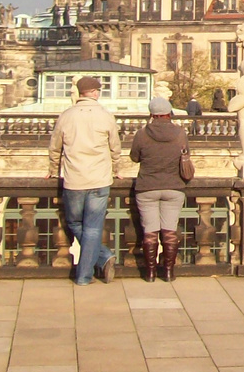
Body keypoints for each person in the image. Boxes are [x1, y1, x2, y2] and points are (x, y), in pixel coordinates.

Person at [47, 76, 123, 285]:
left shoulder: (66, 116)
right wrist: (116, 169)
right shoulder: (106, 116)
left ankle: (96, 264)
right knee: (93, 228)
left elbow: (55, 147)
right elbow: (115, 147)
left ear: (80, 93)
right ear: (95, 92)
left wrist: (53, 170)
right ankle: (90, 269)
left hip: (74, 179)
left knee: (74, 222)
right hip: (99, 179)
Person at [130, 95, 190, 282]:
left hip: (147, 187)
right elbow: (186, 155)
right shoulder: (180, 133)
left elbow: (134, 157)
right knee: (169, 231)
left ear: (152, 114)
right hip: (174, 187)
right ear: (169, 113)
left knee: (150, 231)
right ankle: (169, 272)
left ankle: (150, 273)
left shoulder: (142, 134)